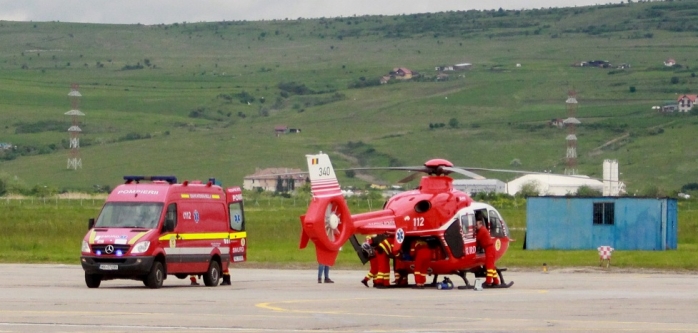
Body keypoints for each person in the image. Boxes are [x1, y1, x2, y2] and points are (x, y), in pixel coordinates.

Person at [475, 219, 500, 287]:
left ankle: (488, 281)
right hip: (488, 249)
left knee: (489, 266)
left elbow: (477, 239)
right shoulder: (482, 230)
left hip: (489, 249)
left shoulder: (482, 231)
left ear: (481, 224)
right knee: (492, 266)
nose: (476, 226)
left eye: (477, 225)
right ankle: (496, 281)